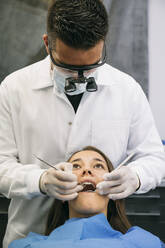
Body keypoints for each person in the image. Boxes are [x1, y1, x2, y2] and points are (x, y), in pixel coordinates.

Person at [0, 0, 165, 247]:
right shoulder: (14, 89)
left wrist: (137, 176)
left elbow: (155, 158)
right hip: (28, 234)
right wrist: (40, 180)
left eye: (91, 67)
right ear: (47, 44)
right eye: (69, 68)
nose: (82, 77)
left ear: (102, 45)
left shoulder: (127, 90)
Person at [9, 146, 165, 248]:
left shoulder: (146, 244)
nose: (86, 170)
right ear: (60, 192)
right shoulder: (25, 246)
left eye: (98, 165)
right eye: (76, 166)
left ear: (115, 189)